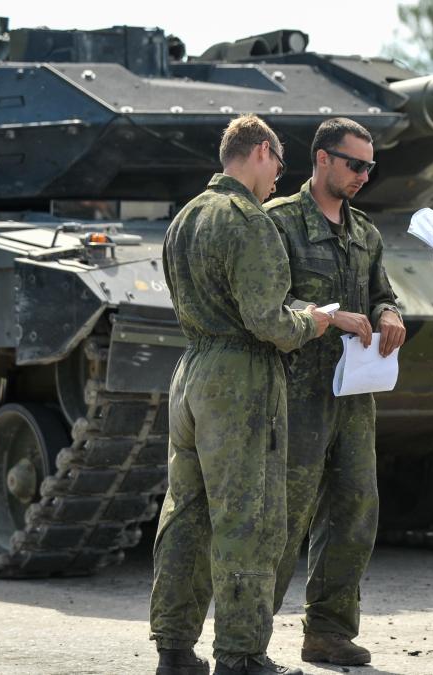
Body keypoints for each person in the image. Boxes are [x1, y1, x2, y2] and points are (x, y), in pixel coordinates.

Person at [150, 114, 331, 675]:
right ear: (258, 152)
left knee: (186, 513)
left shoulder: (185, 218)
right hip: (241, 380)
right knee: (249, 518)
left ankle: (175, 648)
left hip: (192, 372)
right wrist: (313, 322)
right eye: (278, 162)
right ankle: (241, 654)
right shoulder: (247, 220)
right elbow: (267, 322)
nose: (279, 176)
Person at [264, 117, 406, 667]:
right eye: (355, 164)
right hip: (294, 394)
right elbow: (263, 306)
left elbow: (382, 292)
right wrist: (327, 317)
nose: (364, 175)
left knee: (355, 509)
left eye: (370, 166)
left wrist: (388, 313)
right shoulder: (279, 224)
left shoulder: (364, 232)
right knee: (284, 516)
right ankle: (248, 636)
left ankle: (328, 630)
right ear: (322, 159)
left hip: (354, 394)